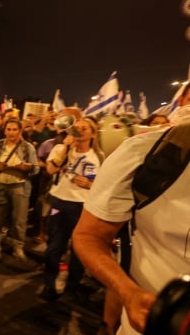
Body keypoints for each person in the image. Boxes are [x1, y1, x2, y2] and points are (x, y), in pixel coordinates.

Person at [72, 121, 190, 334]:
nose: (77, 131)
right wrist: (128, 293)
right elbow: (89, 235)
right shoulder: (151, 152)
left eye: (83, 128)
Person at [39, 117, 103, 301]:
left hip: (83, 207)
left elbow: (103, 183)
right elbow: (50, 170)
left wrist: (90, 184)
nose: (79, 131)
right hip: (59, 203)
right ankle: (49, 285)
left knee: (79, 250)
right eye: (77, 127)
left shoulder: (99, 156)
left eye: (85, 128)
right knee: (54, 247)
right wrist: (66, 148)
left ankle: (71, 287)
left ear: (93, 133)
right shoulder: (61, 149)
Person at [0, 118, 39, 261]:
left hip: (19, 186)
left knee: (19, 220)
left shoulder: (28, 148)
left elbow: (36, 168)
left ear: (20, 131)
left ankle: (18, 247)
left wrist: (27, 168)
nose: (11, 132)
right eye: (9, 129)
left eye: (15, 129)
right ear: (5, 131)